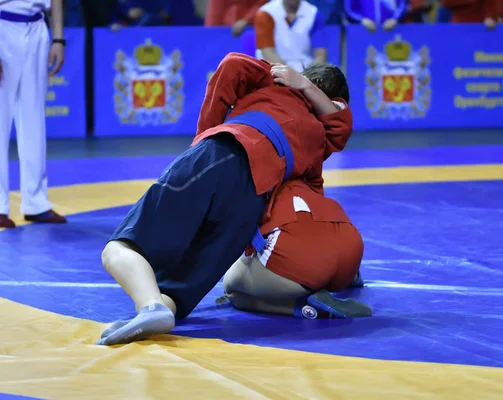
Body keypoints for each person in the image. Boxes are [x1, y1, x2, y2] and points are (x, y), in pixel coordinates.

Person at [97, 53, 352, 346]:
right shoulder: (319, 138)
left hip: (226, 152)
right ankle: (159, 309)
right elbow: (339, 133)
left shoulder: (280, 83)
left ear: (309, 80)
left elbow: (231, 63)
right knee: (180, 289)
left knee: (118, 247)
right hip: (253, 200)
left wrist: (204, 136)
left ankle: (149, 307)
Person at [221, 179, 371, 319]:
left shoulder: (250, 186)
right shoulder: (306, 181)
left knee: (232, 289)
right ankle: (352, 278)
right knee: (316, 233)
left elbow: (237, 238)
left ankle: (304, 308)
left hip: (305, 263)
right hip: (351, 250)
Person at [0, 0, 67, 228]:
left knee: (34, 119)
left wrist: (58, 38)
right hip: (2, 25)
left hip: (37, 27)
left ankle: (36, 202)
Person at [254, 0, 327, 72]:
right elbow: (267, 52)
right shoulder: (266, 13)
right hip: (272, 68)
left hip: (305, 70)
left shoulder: (313, 13)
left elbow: (320, 55)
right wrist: (290, 75)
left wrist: (311, 75)